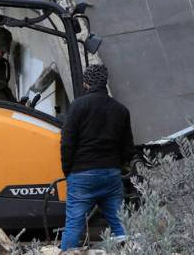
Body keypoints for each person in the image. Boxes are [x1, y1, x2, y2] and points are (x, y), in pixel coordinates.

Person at [58, 64, 134, 251]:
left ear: (86, 83)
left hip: (82, 176)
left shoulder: (78, 106)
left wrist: (68, 171)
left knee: (74, 226)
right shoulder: (121, 110)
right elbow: (128, 148)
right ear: (105, 82)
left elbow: (67, 143)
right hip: (110, 175)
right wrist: (115, 165)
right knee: (120, 223)